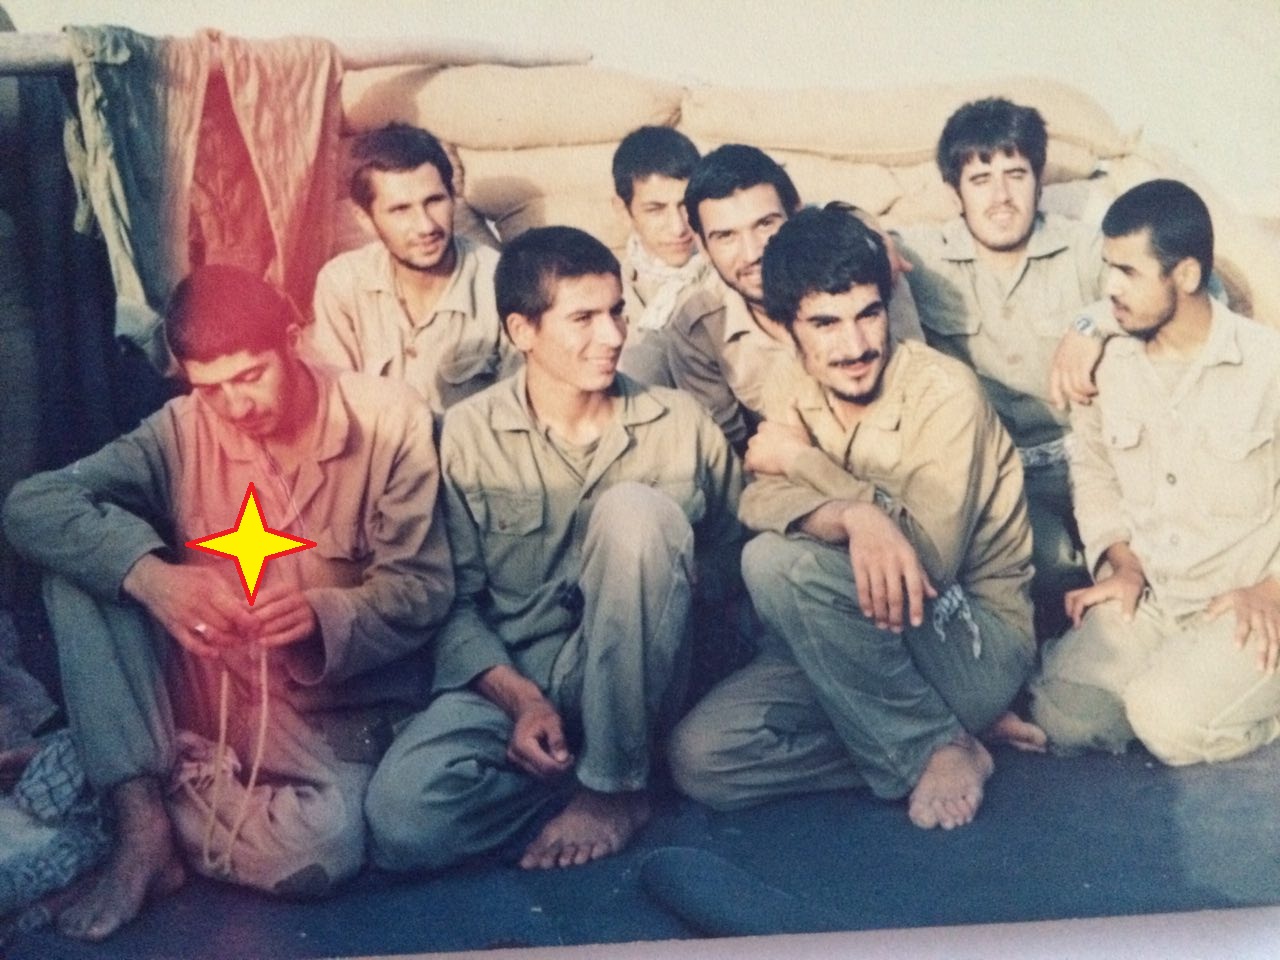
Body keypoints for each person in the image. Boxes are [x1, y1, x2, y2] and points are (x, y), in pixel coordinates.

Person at [2, 265, 454, 940]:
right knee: (87, 569)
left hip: (329, 714)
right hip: (207, 689)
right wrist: (154, 578)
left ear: (292, 341)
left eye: (251, 376)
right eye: (209, 388)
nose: (235, 406)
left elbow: (424, 589)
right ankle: (140, 823)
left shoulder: (388, 420)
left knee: (318, 853)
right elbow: (33, 504)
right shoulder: (182, 429)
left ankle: (120, 780)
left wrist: (321, 616)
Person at [364, 226, 742, 872]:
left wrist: (661, 594)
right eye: (584, 318)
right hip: (520, 677)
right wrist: (524, 703)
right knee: (406, 820)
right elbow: (452, 606)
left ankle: (611, 792)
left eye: (617, 311)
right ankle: (601, 771)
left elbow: (732, 570)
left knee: (635, 513)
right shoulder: (466, 437)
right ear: (522, 330)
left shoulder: (682, 423)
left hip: (650, 677)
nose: (613, 335)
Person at [669, 205, 1038, 830]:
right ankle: (948, 731)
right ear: (786, 327)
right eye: (825, 323)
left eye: (869, 314)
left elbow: (927, 562)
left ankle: (940, 743)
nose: (856, 346)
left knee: (777, 563)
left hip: (968, 635)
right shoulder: (791, 379)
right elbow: (757, 500)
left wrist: (805, 463)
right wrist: (851, 516)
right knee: (704, 760)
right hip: (851, 630)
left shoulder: (945, 393)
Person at [1028, 180, 1280, 763]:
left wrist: (1272, 589)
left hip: (1253, 601)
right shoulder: (1108, 365)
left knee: (1165, 721)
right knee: (1062, 711)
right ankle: (1194, 682)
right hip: (1160, 599)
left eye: (1128, 272)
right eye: (1107, 268)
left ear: (1186, 276)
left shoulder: (1267, 367)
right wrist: (1122, 563)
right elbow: (1094, 474)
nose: (1109, 289)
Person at [894, 97, 1105, 636]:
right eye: (980, 179)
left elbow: (1171, 284)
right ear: (955, 191)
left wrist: (1093, 323)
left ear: (1039, 180)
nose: (1001, 197)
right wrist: (862, 231)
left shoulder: (1083, 248)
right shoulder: (924, 257)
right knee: (1052, 567)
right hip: (1006, 478)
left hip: (1095, 458)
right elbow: (842, 237)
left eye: (1016, 174)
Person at [666, 144, 922, 455]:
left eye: (765, 224)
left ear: (796, 215)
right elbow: (730, 453)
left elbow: (917, 394)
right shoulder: (699, 330)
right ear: (703, 247)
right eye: (726, 236)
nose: (752, 253)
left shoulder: (863, 271)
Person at [308, 123, 518, 413]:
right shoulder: (343, 284)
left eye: (434, 201)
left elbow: (519, 409)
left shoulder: (500, 282)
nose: (425, 226)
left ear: (452, 197)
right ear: (364, 218)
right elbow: (338, 404)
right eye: (400, 210)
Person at [610, 125, 708, 386]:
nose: (678, 228)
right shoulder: (612, 285)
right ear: (623, 211)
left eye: (686, 206)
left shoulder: (725, 278)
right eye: (655, 210)